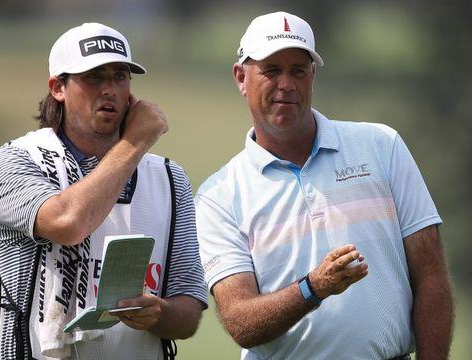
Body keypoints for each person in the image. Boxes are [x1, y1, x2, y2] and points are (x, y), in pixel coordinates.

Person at [194, 11, 453, 360]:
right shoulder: (219, 195)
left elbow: (431, 273)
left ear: (312, 76)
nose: (286, 83)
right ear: (241, 77)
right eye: (271, 70)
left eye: (298, 70)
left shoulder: (381, 145)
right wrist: (313, 288)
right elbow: (240, 320)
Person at [0, 22, 207, 359]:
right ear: (58, 88)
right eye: (94, 77)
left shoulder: (170, 178)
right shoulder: (10, 163)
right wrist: (136, 141)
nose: (110, 89)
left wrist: (159, 314)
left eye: (120, 76)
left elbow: (188, 312)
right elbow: (69, 222)